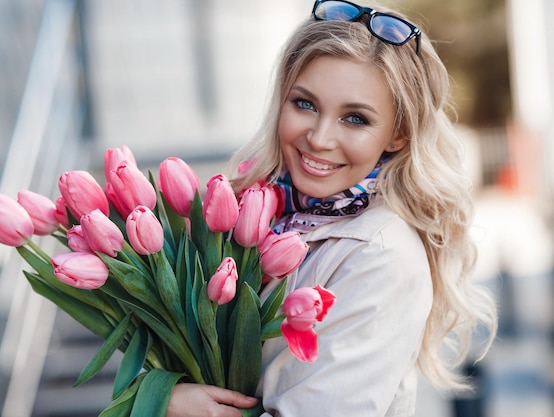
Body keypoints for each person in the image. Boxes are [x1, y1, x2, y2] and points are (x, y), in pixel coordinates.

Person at [166, 1, 497, 416]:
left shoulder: (379, 254)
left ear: (398, 134)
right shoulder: (257, 214)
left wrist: (168, 404)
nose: (320, 138)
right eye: (305, 104)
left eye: (355, 119)